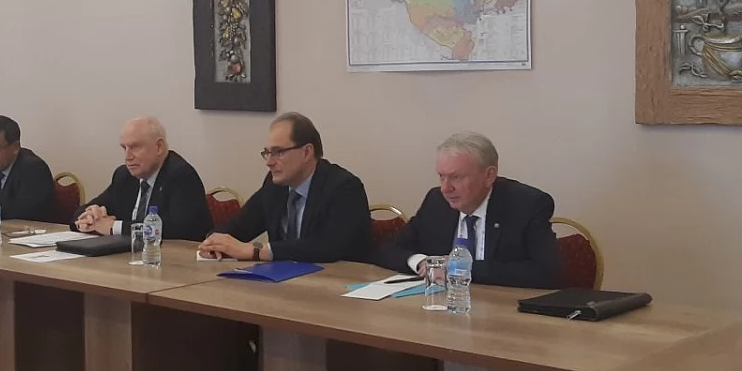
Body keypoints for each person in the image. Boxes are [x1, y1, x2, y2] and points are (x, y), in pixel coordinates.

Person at [376, 131, 560, 288]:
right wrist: (423, 262)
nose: (445, 188)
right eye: (441, 177)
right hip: (442, 306)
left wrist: (463, 267)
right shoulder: (437, 202)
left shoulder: (526, 205)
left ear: (489, 176)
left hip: (501, 311)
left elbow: (547, 273)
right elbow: (387, 248)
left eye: (456, 177)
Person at [199, 112, 371, 263]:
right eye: (267, 153)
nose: (269, 162)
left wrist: (256, 251)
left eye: (279, 152)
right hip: (284, 281)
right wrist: (214, 243)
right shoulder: (275, 184)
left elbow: (328, 247)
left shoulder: (344, 188)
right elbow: (241, 224)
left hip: (337, 282)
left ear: (307, 152)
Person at [74, 116, 212, 241]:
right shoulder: (124, 176)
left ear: (159, 147)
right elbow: (78, 213)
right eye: (124, 148)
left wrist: (113, 227)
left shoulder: (180, 175)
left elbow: (177, 230)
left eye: (134, 147)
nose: (127, 157)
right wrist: (89, 218)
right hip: (129, 255)